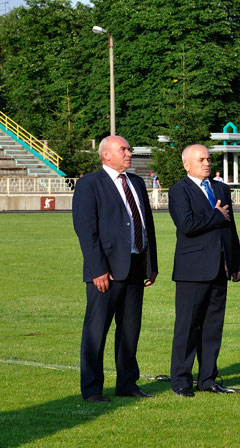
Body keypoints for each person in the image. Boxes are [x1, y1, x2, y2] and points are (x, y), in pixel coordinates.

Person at [72, 135, 158, 403]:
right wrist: (97, 269)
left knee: (130, 330)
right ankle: (92, 389)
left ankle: (127, 384)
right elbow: (86, 230)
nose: (129, 153)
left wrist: (151, 264)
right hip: (106, 270)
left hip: (135, 266)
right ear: (106, 155)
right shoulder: (89, 184)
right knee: (97, 331)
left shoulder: (136, 183)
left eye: (129, 149)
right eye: (123, 149)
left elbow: (147, 225)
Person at [168, 145, 240, 397]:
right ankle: (181, 380)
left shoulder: (221, 189)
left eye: (208, 158)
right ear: (186, 165)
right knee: (188, 327)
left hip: (220, 268)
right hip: (192, 270)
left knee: (213, 328)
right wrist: (216, 215)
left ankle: (208, 379)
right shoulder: (179, 190)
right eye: (201, 159)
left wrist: (236, 263)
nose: (207, 163)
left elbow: (230, 228)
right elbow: (187, 225)